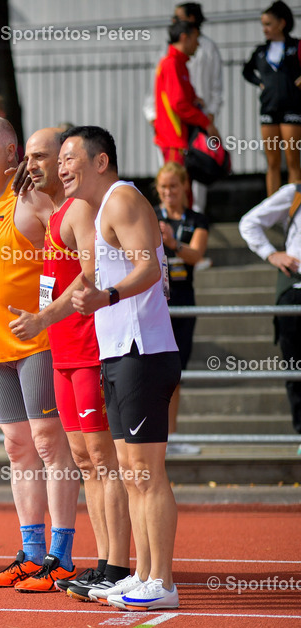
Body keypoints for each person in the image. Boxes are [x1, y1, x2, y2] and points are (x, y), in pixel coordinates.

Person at [6, 129, 133, 601]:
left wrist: (43, 317)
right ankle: (102, 564)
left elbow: (91, 273)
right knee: (83, 459)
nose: (45, 166)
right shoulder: (57, 210)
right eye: (38, 158)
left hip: (88, 350)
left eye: (53, 156)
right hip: (62, 352)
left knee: (102, 459)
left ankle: (116, 564)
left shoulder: (81, 210)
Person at [0, 116, 81, 592]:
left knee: (51, 446)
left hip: (38, 343)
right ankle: (31, 553)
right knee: (17, 449)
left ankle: (62, 555)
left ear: (11, 154)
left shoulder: (32, 202)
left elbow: (75, 246)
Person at [66, 125, 182, 611]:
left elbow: (151, 268)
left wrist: (106, 296)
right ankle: (141, 573)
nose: (61, 167)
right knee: (131, 473)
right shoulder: (96, 215)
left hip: (144, 352)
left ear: (100, 161)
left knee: (146, 473)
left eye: (69, 157)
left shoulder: (122, 199)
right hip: (117, 353)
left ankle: (164, 581)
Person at [239, 179, 301, 443]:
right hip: (294, 290)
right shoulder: (295, 193)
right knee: (296, 371)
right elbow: (249, 223)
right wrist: (271, 253)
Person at [154, 162, 208, 455]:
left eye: (173, 186)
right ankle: (155, 435)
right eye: (163, 188)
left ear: (184, 187)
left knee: (175, 373)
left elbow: (197, 254)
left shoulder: (196, 219)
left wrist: (173, 243)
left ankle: (171, 436)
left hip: (184, 300)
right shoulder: (149, 215)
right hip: (155, 301)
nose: (168, 193)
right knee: (153, 371)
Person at [243, 1, 301, 197]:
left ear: (281, 23)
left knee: (293, 161)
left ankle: (295, 212)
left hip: (292, 109)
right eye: (263, 24)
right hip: (268, 108)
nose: (264, 29)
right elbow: (247, 71)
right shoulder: (260, 51)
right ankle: (272, 212)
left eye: (268, 24)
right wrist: (259, 82)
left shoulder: (296, 46)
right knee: (273, 162)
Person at [174, 3, 224, 213]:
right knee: (177, 173)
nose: (173, 21)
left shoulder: (208, 47)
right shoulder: (172, 52)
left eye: (178, 17)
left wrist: (208, 117)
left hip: (200, 121)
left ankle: (196, 218)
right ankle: (178, 219)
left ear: (192, 19)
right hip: (177, 123)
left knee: (200, 165)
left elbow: (216, 86)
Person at [154, 21, 220, 169]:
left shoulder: (179, 63)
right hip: (174, 139)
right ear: (184, 38)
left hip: (178, 139)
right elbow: (179, 104)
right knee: (175, 187)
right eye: (195, 39)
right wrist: (205, 122)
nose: (198, 44)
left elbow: (181, 100)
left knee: (182, 188)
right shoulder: (172, 64)